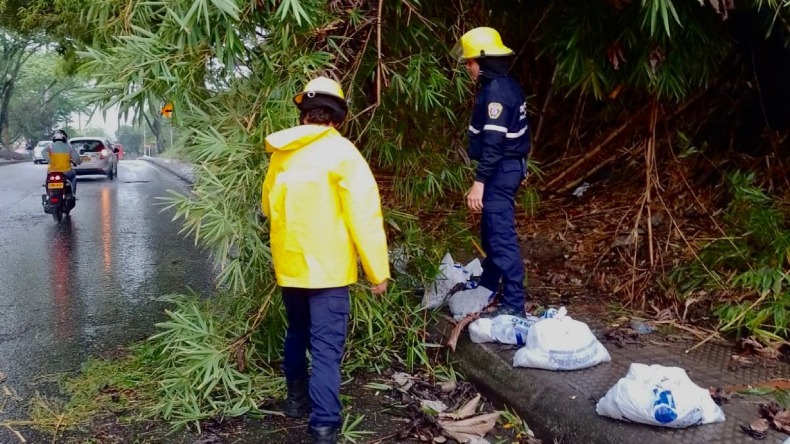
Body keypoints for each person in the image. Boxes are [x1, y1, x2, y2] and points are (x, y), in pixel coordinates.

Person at [261, 76, 390, 444]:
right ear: (337, 116)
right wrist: (377, 271)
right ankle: (324, 425)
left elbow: (268, 206)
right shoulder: (344, 153)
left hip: (290, 268)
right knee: (326, 348)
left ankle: (296, 402)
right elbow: (363, 215)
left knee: (296, 332)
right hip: (330, 271)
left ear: (303, 113)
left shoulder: (282, 154)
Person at [454, 27, 531, 317]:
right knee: (490, 234)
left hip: (499, 171)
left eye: (470, 62)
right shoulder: (503, 84)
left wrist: (479, 184)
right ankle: (488, 285)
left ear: (482, 62)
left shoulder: (497, 93)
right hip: (506, 169)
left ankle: (514, 304)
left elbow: (495, 144)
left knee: (500, 237)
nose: (468, 68)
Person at [43, 130, 81, 195]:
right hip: (66, 172)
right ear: (64, 138)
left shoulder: (50, 146)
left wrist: (49, 160)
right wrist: (78, 162)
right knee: (73, 175)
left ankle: (48, 194)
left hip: (52, 172)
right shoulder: (69, 147)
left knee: (48, 180)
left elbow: (43, 152)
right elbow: (77, 159)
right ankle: (72, 194)